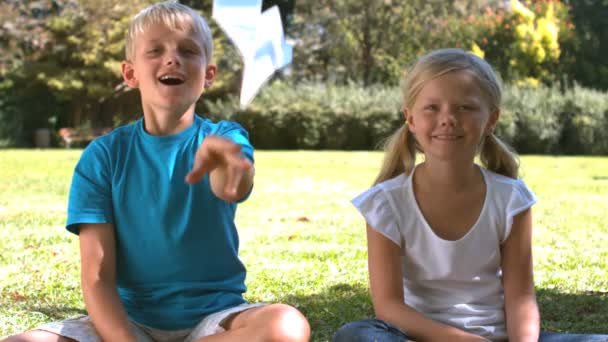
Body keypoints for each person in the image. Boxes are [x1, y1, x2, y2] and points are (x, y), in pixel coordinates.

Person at [3, 1, 310, 342]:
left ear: (208, 74)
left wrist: (229, 163)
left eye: (188, 50)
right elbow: (97, 276)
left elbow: (232, 187)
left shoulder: (225, 138)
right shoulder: (103, 157)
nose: (172, 58)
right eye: (155, 50)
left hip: (215, 320)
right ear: (130, 73)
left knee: (285, 327)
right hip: (127, 322)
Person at [333, 48, 608, 342]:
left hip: (501, 338)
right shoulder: (386, 203)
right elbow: (389, 308)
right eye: (432, 108)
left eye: (465, 107)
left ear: (491, 119)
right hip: (420, 339)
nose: (448, 118)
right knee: (357, 335)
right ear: (410, 119)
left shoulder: (511, 199)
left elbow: (522, 300)